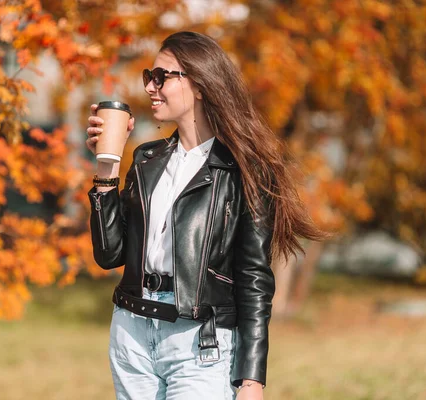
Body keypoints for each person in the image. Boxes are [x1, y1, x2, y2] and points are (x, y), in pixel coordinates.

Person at [85, 31, 325, 400]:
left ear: (199, 84)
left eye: (162, 76)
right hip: (131, 335)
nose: (151, 86)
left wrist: (251, 379)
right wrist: (106, 169)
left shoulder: (244, 170)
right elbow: (109, 255)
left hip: (200, 343)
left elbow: (254, 280)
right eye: (149, 76)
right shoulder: (146, 161)